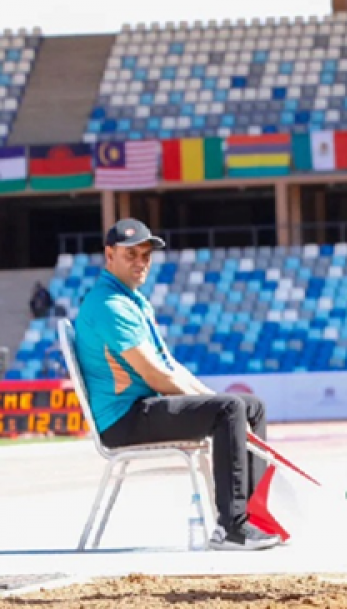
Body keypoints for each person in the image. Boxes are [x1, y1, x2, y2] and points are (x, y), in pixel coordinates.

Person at [73, 218, 281, 551]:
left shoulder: (133, 300)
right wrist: (220, 406)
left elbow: (171, 367)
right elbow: (157, 377)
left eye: (146, 255)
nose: (141, 263)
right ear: (109, 255)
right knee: (229, 409)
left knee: (249, 406)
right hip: (122, 420)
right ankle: (233, 527)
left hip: (141, 408)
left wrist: (213, 399)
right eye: (131, 255)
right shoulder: (109, 305)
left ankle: (253, 517)